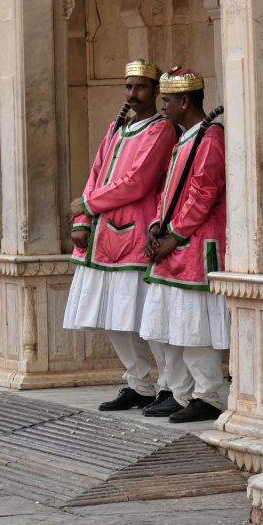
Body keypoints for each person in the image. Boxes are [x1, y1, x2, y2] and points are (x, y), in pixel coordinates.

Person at [63, 59, 178, 412]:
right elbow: (97, 171)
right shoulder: (118, 126)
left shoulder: (161, 130)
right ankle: (138, 383)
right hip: (104, 237)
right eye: (129, 86)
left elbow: (138, 182)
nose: (133, 94)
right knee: (116, 318)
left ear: (155, 91)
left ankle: (172, 387)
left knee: (148, 317)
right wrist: (83, 218)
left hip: (135, 233)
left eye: (141, 87)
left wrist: (87, 203)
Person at [140, 67, 230, 423]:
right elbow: (169, 191)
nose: (163, 106)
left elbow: (204, 194)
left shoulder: (210, 138)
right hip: (175, 243)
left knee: (193, 326)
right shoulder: (187, 137)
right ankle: (182, 392)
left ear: (184, 101)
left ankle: (208, 394)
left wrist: (174, 235)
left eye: (167, 99)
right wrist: (156, 226)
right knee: (168, 325)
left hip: (194, 243)